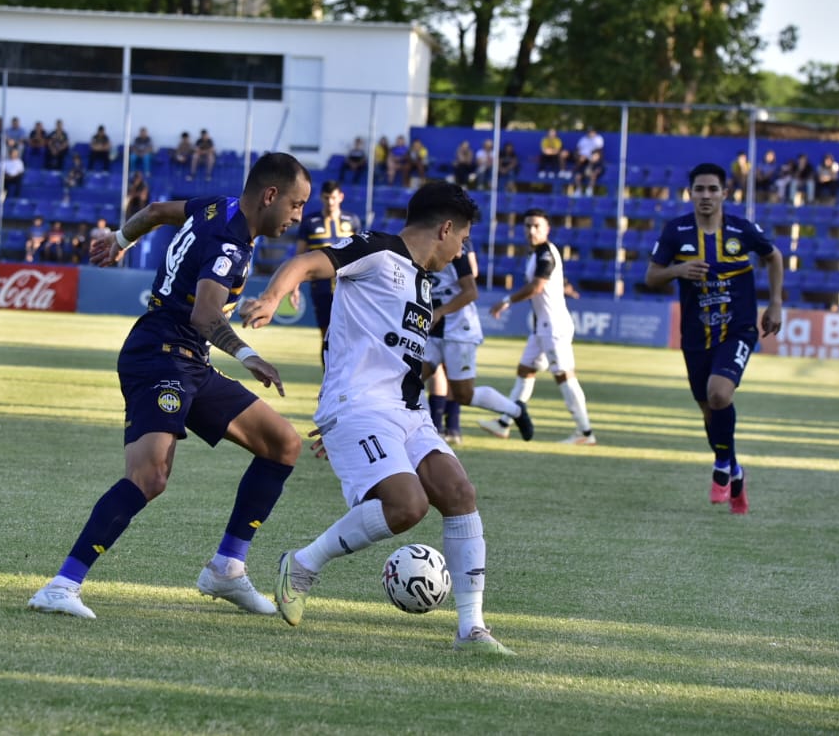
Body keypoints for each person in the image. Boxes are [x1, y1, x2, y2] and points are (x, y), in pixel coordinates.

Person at [240, 181, 527, 654]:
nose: (462, 251)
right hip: (361, 407)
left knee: (459, 492)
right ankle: (303, 564)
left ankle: (471, 630)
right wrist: (273, 298)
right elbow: (306, 262)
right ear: (446, 228)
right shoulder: (376, 250)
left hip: (406, 413)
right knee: (407, 506)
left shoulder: (424, 283)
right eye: (464, 239)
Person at [27, 152, 312, 620]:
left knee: (283, 444)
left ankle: (227, 568)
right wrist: (249, 355)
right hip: (160, 354)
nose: (298, 217)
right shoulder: (229, 241)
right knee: (149, 476)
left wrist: (118, 239)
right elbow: (204, 316)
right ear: (270, 196)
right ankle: (62, 585)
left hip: (188, 360)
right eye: (296, 205)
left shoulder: (219, 205)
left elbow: (158, 211)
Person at [645, 162, 783, 515]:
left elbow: (773, 256)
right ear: (690, 193)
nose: (706, 196)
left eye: (712, 189)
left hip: (738, 329)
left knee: (719, 394)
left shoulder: (742, 228)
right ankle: (734, 470)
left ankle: (721, 468)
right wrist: (678, 269)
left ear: (725, 193)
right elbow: (652, 276)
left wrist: (776, 303)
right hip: (695, 336)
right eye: (699, 189)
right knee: (710, 413)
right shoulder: (676, 231)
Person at [479, 208, 596, 445]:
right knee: (525, 371)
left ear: (547, 229)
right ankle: (504, 423)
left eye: (537, 226)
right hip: (541, 327)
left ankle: (585, 433)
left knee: (564, 376)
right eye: (528, 226)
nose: (531, 230)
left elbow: (537, 287)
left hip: (553, 326)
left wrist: (506, 301)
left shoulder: (545, 253)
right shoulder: (537, 254)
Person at [422, 240, 532, 445]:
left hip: (459, 331)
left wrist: (440, 311)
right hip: (432, 331)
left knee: (464, 394)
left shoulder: (455, 252)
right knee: (408, 380)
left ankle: (515, 410)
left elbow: (471, 291)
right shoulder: (418, 247)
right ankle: (427, 432)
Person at [294, 179, 361, 367]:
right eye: (326, 198)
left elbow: (361, 256)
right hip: (321, 287)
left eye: (333, 198)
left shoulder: (352, 221)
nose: (330, 202)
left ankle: (347, 377)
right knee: (326, 336)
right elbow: (299, 257)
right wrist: (295, 286)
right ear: (321, 198)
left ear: (340, 197)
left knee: (349, 335)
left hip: (349, 288)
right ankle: (329, 379)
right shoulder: (310, 222)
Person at [572, 128, 604, 196]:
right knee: (578, 176)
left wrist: (594, 172)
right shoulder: (586, 161)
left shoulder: (599, 161)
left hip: (593, 173)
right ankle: (579, 190)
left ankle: (589, 190)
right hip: (585, 171)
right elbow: (580, 169)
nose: (591, 133)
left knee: (593, 176)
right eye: (589, 132)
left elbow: (599, 169)